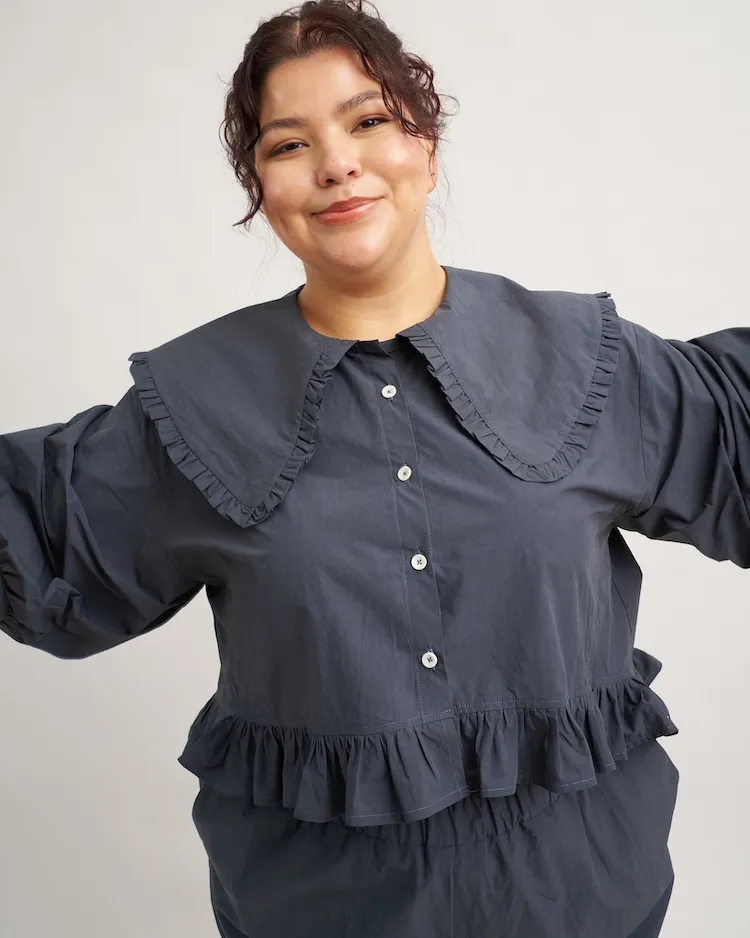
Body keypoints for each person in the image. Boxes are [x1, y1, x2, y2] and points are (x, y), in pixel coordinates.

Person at [1, 1, 747, 935]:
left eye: (368, 121)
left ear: (425, 148)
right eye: (288, 144)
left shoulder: (583, 360)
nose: (336, 163)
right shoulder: (191, 407)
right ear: (260, 187)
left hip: (583, 901)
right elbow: (40, 532)